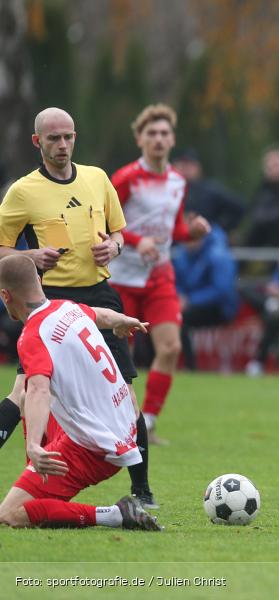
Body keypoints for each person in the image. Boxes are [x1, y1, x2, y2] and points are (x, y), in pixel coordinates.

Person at [0, 107, 157, 509]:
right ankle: (35, 466)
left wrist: (114, 248)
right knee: (25, 391)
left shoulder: (97, 178)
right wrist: (32, 256)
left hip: (99, 297)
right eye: (53, 138)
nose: (62, 145)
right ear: (37, 142)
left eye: (68, 136)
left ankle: (142, 492)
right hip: (49, 301)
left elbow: (119, 234)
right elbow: (3, 252)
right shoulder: (22, 191)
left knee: (125, 393)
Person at [0, 254, 161, 530]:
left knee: (10, 514)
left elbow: (38, 389)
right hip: (124, 428)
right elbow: (101, 315)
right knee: (26, 395)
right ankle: (37, 477)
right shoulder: (66, 307)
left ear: (5, 296)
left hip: (93, 447)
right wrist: (122, 320)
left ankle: (116, 514)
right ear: (39, 280)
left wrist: (33, 445)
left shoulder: (32, 336)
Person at [108, 104, 211, 445]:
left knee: (170, 347)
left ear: (173, 139)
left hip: (159, 276)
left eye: (164, 133)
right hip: (122, 277)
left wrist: (192, 231)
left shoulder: (178, 181)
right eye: (151, 133)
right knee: (119, 357)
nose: (158, 139)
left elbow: (174, 229)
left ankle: (147, 423)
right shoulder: (125, 178)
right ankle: (119, 425)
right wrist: (137, 241)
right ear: (139, 139)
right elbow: (103, 224)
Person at [172, 225, 239, 370]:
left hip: (220, 308)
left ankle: (190, 367)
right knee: (167, 317)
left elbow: (222, 290)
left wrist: (190, 300)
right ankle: (151, 364)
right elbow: (177, 281)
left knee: (181, 319)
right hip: (189, 303)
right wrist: (179, 297)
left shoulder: (217, 254)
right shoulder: (182, 254)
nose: (188, 242)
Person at [172, 149, 245, 234]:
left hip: (206, 236)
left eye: (190, 165)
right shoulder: (167, 190)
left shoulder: (210, 190)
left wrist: (220, 227)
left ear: (198, 168)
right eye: (182, 165)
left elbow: (239, 208)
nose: (186, 169)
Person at [244, 146, 279, 248]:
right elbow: (255, 218)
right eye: (269, 165)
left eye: (277, 164)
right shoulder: (263, 191)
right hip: (265, 247)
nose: (273, 168)